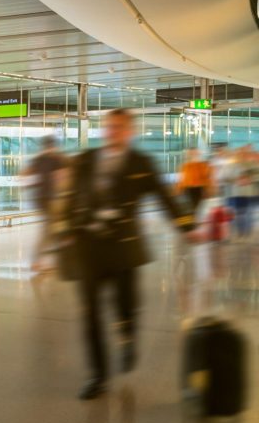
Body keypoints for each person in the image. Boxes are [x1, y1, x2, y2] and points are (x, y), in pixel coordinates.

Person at [59, 109, 197, 400]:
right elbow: (71, 196)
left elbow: (165, 197)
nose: (113, 131)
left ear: (129, 131)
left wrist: (187, 225)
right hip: (89, 248)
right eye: (110, 127)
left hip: (124, 248)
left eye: (120, 127)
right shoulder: (86, 159)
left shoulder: (141, 163)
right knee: (91, 313)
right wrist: (65, 229)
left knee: (125, 306)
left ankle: (127, 337)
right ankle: (98, 375)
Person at [21, 135, 67, 272]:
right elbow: (62, 179)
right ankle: (38, 261)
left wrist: (31, 185)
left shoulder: (38, 160)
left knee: (54, 229)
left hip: (41, 200)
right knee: (50, 230)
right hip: (53, 200)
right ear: (53, 146)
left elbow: (24, 174)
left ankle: (49, 260)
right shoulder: (58, 160)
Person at [228, 145, 257, 240]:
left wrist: (250, 179)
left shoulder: (253, 165)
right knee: (239, 213)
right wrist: (236, 180)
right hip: (237, 193)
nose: (243, 155)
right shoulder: (233, 165)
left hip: (250, 193)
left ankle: (247, 233)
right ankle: (241, 233)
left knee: (248, 213)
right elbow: (225, 177)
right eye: (241, 153)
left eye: (245, 153)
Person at [175, 148, 213, 218]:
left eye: (194, 153)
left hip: (199, 188)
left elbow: (207, 177)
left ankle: (197, 219)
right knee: (193, 206)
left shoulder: (202, 165)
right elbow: (182, 178)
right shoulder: (185, 166)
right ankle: (195, 218)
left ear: (198, 153)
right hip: (189, 188)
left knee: (199, 207)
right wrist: (179, 189)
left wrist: (208, 189)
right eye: (191, 153)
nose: (193, 154)